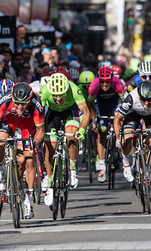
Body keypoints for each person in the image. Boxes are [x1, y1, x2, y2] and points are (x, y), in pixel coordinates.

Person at [0, 82, 45, 219]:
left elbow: (40, 130)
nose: (19, 106)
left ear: (29, 100)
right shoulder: (5, 100)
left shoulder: (36, 104)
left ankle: (28, 200)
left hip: (27, 127)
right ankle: (1, 171)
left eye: (23, 104)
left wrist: (34, 143)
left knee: (28, 160)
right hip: (9, 122)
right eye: (16, 103)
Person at [40, 73, 90, 206]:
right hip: (53, 115)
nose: (58, 99)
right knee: (50, 146)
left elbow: (85, 112)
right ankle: (50, 181)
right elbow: (37, 113)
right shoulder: (44, 91)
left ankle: (73, 169)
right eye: (55, 96)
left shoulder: (74, 89)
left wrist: (82, 130)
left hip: (70, 112)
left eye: (61, 95)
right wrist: (39, 131)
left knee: (71, 136)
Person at [113, 81, 151, 201]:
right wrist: (119, 138)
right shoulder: (131, 98)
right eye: (144, 100)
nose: (147, 103)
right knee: (128, 138)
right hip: (134, 114)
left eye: (150, 100)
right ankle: (126, 162)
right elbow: (117, 119)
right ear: (139, 96)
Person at [86, 66, 125, 183]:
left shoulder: (117, 83)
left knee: (117, 121)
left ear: (112, 79)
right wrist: (94, 119)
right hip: (100, 106)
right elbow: (91, 105)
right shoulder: (94, 86)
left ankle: (117, 145)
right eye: (102, 81)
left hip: (115, 103)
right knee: (101, 131)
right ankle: (102, 166)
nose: (105, 84)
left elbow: (124, 102)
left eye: (107, 81)